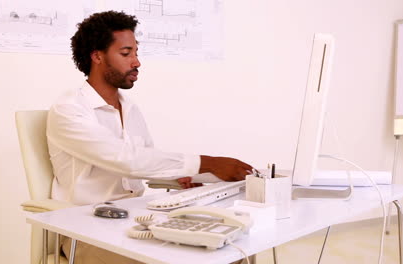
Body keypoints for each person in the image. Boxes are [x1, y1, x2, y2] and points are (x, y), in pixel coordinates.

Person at [47, 11, 253, 264]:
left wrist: (183, 177)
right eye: (126, 54)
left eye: (136, 52)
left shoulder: (130, 108)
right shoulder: (69, 109)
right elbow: (127, 160)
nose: (136, 62)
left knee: (232, 253)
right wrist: (207, 163)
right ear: (97, 56)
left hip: (133, 219)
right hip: (84, 230)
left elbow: (146, 161)